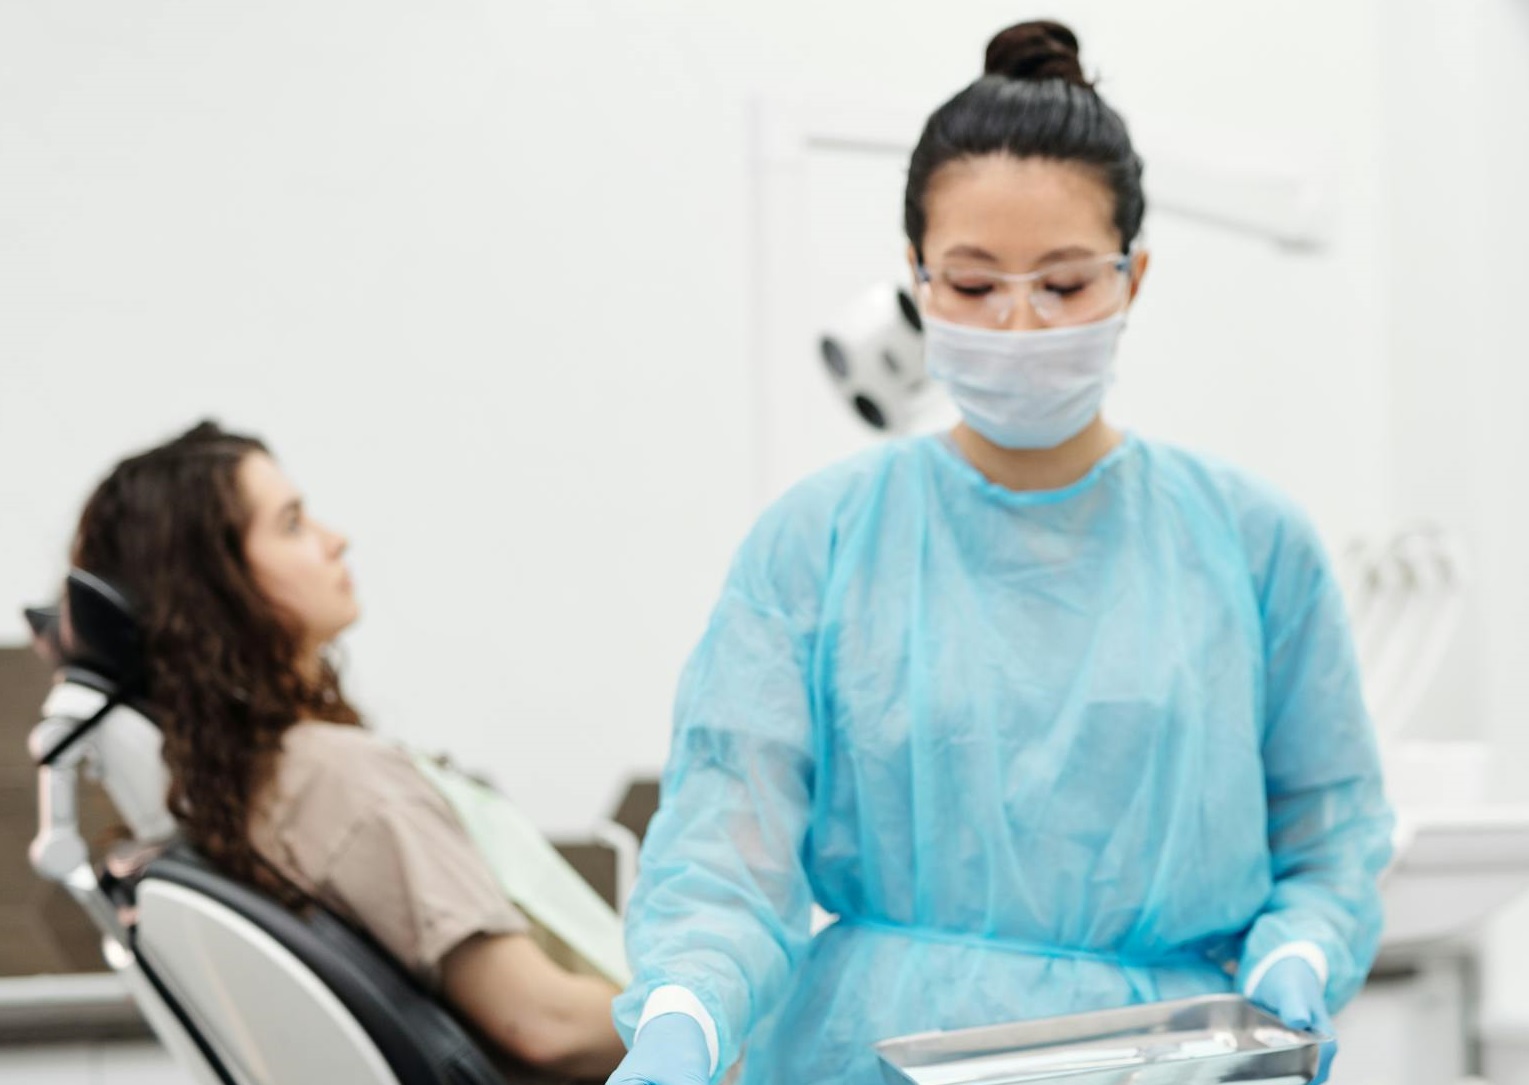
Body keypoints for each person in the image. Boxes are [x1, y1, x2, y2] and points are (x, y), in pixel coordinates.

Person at [608, 20, 1393, 1085]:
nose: (1019, 324)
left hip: (1166, 1060)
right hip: (872, 1055)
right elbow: (723, 857)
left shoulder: (1250, 543)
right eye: (973, 286)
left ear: (1133, 277)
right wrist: (682, 1012)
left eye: (1065, 285)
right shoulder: (820, 540)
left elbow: (1327, 837)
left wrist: (1301, 948)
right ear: (916, 279)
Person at [69, 421, 627, 1082]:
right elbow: (543, 1023)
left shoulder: (253, 792)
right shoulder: (344, 779)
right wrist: (721, 1014)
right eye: (292, 524)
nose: (336, 540)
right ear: (217, 587)